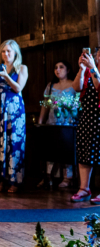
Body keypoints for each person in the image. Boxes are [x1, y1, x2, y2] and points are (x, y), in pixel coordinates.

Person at [0, 39, 28, 193]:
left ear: (15, 52)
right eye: (3, 51)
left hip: (14, 111)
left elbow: (18, 88)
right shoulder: (0, 67)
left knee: (13, 143)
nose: (5, 54)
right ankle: (1, 180)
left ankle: (14, 181)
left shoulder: (22, 68)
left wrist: (5, 76)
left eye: (8, 51)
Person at [38, 60, 76, 189]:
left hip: (68, 122)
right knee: (50, 150)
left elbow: (78, 105)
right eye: (55, 67)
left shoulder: (74, 85)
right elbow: (45, 104)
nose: (58, 70)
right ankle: (48, 177)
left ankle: (68, 177)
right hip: (52, 122)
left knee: (67, 150)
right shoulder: (51, 85)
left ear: (68, 70)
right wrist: (40, 121)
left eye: (61, 67)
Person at [72, 48, 100, 203]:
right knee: (84, 152)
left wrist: (93, 69)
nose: (97, 58)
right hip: (88, 116)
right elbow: (76, 87)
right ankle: (84, 188)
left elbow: (99, 86)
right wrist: (82, 70)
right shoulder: (89, 71)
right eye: (97, 56)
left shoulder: (95, 71)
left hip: (99, 117)